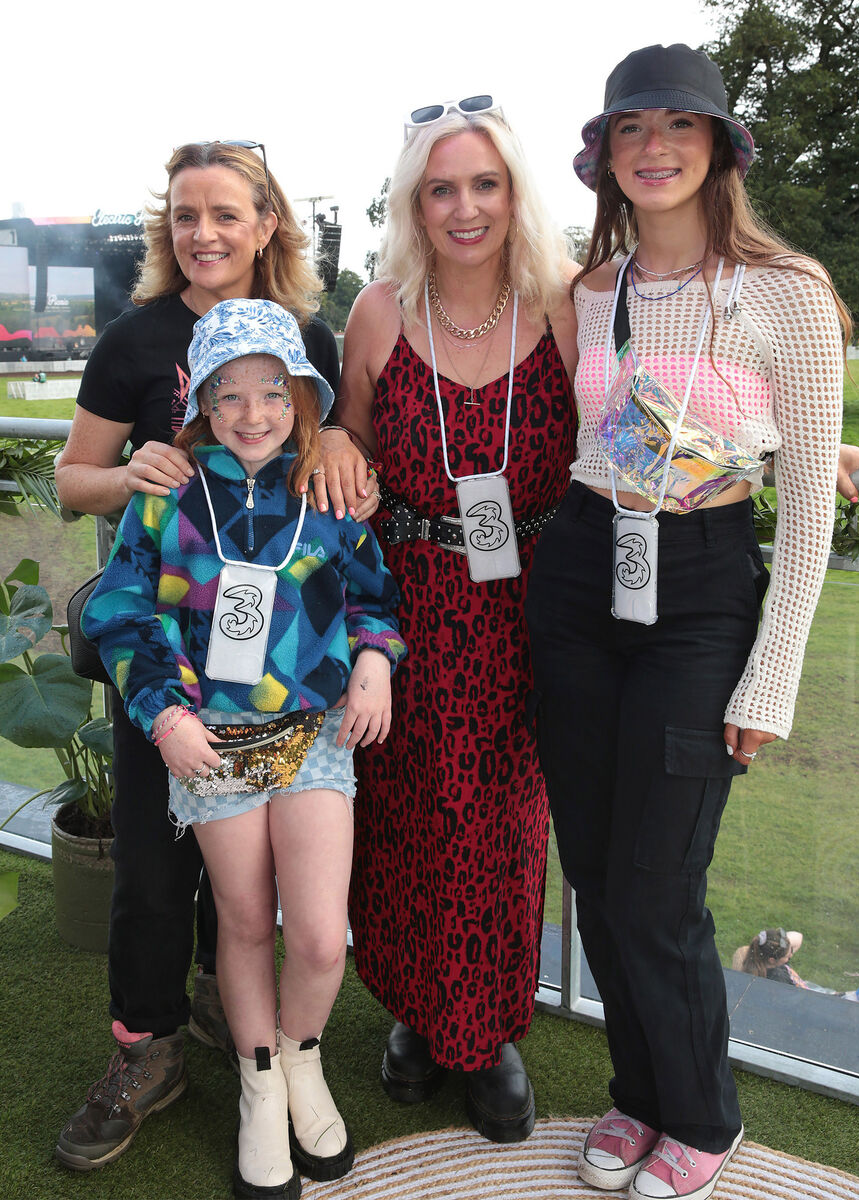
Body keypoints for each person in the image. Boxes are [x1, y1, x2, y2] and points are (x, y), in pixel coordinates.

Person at [526, 44, 851, 1200]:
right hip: (580, 575)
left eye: (678, 125)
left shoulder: (789, 293)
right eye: (630, 129)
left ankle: (703, 1118)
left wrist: (769, 683)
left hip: (704, 589)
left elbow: (807, 504)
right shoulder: (590, 290)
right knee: (599, 869)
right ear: (606, 158)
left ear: (718, 146)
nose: (654, 146)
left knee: (660, 883)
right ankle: (639, 1095)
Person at [53, 141, 368, 1172]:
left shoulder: (304, 351)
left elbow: (354, 560)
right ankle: (178, 1056)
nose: (204, 232)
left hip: (302, 706)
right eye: (185, 214)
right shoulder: (135, 346)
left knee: (295, 920)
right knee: (173, 880)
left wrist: (373, 656)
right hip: (188, 687)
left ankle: (276, 1048)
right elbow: (80, 497)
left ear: (265, 223)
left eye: (225, 213)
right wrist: (141, 479)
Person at [81, 298, 406, 1198]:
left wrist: (374, 664)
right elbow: (120, 613)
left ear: (303, 395)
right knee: (241, 919)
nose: (254, 413)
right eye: (230, 395)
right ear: (202, 404)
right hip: (210, 743)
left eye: (273, 390)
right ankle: (259, 1085)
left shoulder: (327, 488)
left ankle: (301, 1059)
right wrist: (164, 713)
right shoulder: (171, 495)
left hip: (314, 737)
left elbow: (374, 598)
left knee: (313, 936)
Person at [320, 98, 578, 1142]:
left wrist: (799, 444)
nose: (465, 207)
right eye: (441, 188)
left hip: (532, 603)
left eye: (485, 184)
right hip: (408, 604)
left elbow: (657, 410)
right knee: (409, 822)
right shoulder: (382, 310)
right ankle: (418, 1017)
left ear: (514, 193)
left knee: (506, 828)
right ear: (412, 205)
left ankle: (490, 1032)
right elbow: (349, 425)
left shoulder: (564, 301)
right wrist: (338, 442)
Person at [734, 929, 859, 999]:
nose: (791, 955)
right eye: (787, 955)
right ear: (773, 960)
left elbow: (798, 936)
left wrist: (782, 943)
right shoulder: (778, 979)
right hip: (819, 1002)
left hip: (816, 994)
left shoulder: (765, 960)